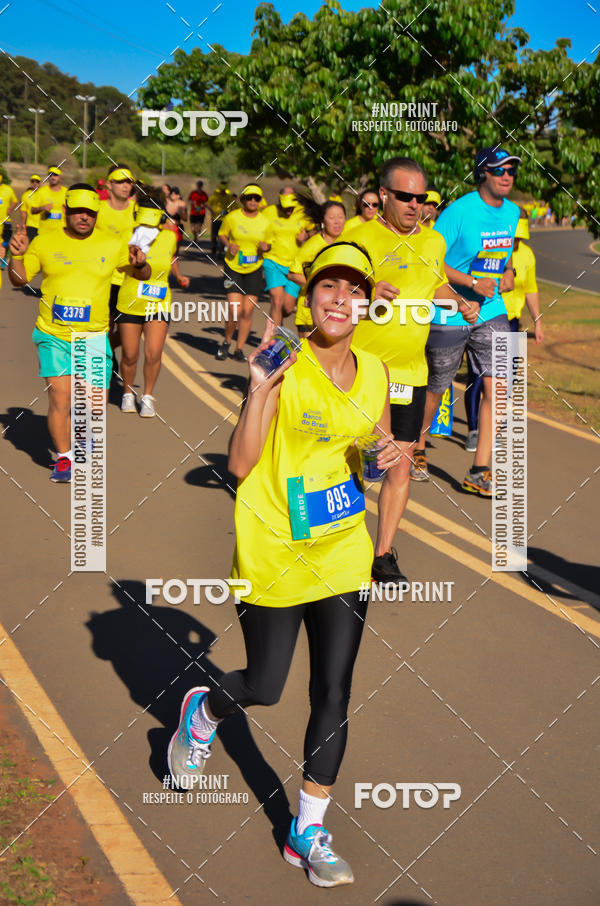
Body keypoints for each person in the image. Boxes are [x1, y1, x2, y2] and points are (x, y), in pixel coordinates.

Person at [168, 241, 397, 888]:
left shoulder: (377, 371)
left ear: (365, 302)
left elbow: (370, 454)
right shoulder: (283, 358)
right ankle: (205, 710)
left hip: (342, 546)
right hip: (270, 545)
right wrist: (260, 387)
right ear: (310, 296)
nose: (340, 299)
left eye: (353, 289)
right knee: (266, 687)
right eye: (329, 286)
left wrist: (388, 457)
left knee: (333, 689)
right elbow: (239, 466)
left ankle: (307, 830)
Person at [349, 157, 469, 581]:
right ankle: (332, 543)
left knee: (400, 463)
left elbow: (433, 283)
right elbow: (334, 297)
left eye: (420, 198)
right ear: (383, 195)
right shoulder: (359, 237)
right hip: (361, 370)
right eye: (405, 196)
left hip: (410, 373)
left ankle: (382, 555)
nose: (415, 205)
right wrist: (365, 292)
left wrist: (459, 299)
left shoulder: (433, 241)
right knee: (350, 462)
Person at [7, 184, 150, 482]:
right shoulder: (45, 241)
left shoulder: (113, 243)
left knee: (93, 403)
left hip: (94, 335)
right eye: (78, 211)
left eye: (90, 212)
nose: (84, 217)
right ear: (67, 212)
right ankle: (64, 458)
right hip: (53, 333)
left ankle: (83, 441)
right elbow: (19, 280)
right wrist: (16, 256)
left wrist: (141, 264)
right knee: (61, 397)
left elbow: (141, 272)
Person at [415, 146, 521, 496]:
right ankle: (416, 445)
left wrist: (507, 274)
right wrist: (470, 285)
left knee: (500, 387)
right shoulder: (458, 212)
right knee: (437, 384)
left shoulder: (513, 212)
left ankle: (479, 469)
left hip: (490, 308)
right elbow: (431, 263)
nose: (507, 176)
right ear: (483, 174)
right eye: (499, 170)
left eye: (511, 171)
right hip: (449, 305)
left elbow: (501, 259)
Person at [462, 215, 543, 449]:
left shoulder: (527, 255)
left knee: (506, 378)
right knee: (479, 376)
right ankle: (474, 430)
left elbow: (531, 289)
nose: (516, 241)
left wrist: (538, 321)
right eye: (513, 237)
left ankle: (492, 426)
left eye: (520, 238)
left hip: (512, 322)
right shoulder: (489, 249)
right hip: (485, 318)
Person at [117, 192, 189, 417]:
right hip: (130, 301)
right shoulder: (127, 238)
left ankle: (147, 396)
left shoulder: (169, 237)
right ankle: (128, 393)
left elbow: (171, 258)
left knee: (154, 352)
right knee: (130, 355)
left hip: (158, 302)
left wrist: (178, 276)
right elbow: (119, 267)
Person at [214, 184, 271, 361]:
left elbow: (269, 244)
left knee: (247, 312)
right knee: (234, 309)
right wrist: (228, 245)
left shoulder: (265, 222)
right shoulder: (232, 217)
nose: (253, 201)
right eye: (249, 197)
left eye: (256, 198)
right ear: (243, 199)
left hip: (254, 269)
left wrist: (265, 247)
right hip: (233, 268)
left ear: (260, 201)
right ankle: (227, 341)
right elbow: (222, 234)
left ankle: (239, 349)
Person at [289, 200, 347, 334]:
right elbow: (293, 273)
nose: (337, 222)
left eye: (340, 217)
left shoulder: (347, 243)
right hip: (309, 312)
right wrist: (318, 287)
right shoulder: (313, 245)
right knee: (309, 354)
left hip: (336, 311)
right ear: (323, 221)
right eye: (331, 218)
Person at [95, 164, 136, 354]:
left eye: (129, 182)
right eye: (120, 182)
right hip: (105, 279)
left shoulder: (138, 211)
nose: (125, 186)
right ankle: (105, 360)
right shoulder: (97, 210)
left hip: (133, 279)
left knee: (130, 330)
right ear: (109, 185)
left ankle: (107, 353)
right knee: (106, 325)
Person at [262, 187, 306, 325]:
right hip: (273, 261)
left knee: (287, 308)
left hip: (294, 266)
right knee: (276, 300)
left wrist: (305, 237)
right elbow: (257, 230)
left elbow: (314, 232)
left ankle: (275, 322)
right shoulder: (269, 212)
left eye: (291, 207)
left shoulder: (302, 213)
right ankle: (274, 337)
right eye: (286, 207)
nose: (289, 210)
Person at [29, 166, 67, 235]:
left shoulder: (66, 192)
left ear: (60, 177)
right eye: (50, 175)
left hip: (61, 232)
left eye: (55, 175)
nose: (52, 177)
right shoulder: (41, 191)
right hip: (44, 232)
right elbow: (32, 210)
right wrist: (42, 208)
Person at [207, 180, 233, 256]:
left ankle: (220, 252)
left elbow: (232, 206)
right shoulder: (215, 195)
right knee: (213, 236)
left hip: (224, 220)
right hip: (215, 219)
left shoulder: (229, 197)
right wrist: (211, 211)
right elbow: (208, 204)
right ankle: (214, 245)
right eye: (221, 189)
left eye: (224, 190)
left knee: (223, 236)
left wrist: (229, 212)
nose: (222, 191)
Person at [0, 172, 18, 266]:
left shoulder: (8, 189)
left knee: (5, 241)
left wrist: (11, 208)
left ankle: (3, 258)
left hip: (6, 220)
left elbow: (15, 201)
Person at [20, 174, 42, 243]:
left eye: (37, 181)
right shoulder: (26, 195)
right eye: (33, 181)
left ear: (40, 183)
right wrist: (23, 226)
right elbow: (24, 212)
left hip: (43, 226)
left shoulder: (44, 193)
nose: (35, 183)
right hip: (30, 225)